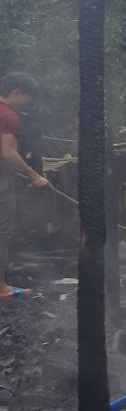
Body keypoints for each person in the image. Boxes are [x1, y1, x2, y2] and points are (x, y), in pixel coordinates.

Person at [0, 72, 49, 302]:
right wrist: (34, 176)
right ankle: (1, 288)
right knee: (2, 232)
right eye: (26, 100)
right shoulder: (8, 116)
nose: (26, 105)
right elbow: (9, 154)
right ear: (16, 92)